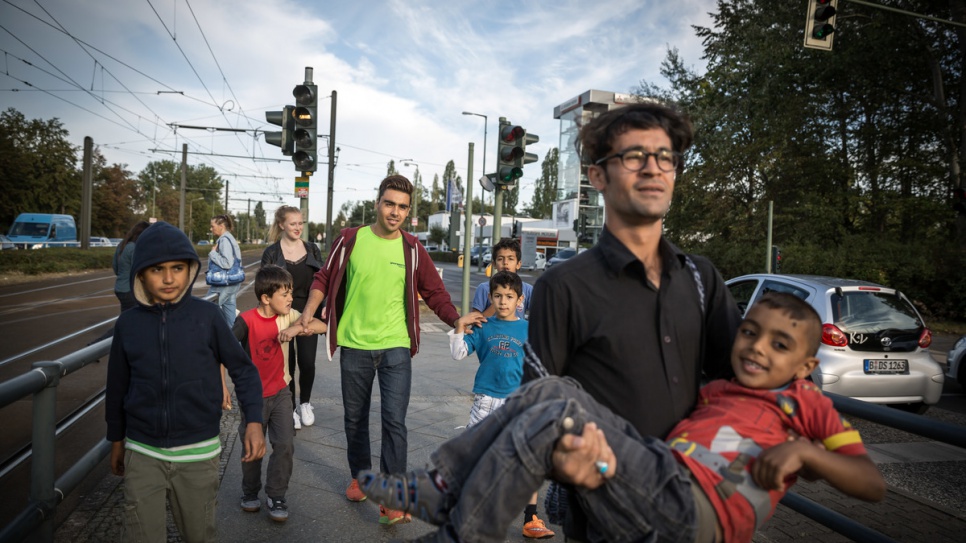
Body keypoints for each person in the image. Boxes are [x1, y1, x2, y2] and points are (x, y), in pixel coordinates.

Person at [359, 293, 887, 543]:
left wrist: (805, 452)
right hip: (652, 484)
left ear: (807, 365)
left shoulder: (805, 403)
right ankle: (441, 484)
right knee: (554, 389)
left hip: (695, 511)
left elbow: (871, 484)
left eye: (780, 344)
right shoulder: (720, 389)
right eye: (749, 332)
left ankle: (459, 520)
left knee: (556, 404)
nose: (756, 348)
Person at [527, 101, 743, 540]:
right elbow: (538, 412)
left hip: (700, 511)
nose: (653, 168)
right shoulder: (563, 286)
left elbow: (746, 382)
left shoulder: (702, 278)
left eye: (665, 157)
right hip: (609, 522)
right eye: (633, 156)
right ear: (598, 176)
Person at [296, 174, 484, 526]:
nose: (395, 211)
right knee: (355, 418)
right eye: (389, 203)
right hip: (353, 344)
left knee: (394, 420)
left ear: (408, 211)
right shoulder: (351, 239)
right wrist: (309, 309)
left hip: (396, 345)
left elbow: (434, 293)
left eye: (402, 207)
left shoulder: (413, 248)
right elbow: (323, 276)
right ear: (378, 203)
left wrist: (455, 319)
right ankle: (361, 475)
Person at [105, 221, 266, 543]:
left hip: (198, 453)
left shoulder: (207, 317)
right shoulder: (128, 324)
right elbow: (117, 385)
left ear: (190, 268)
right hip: (143, 450)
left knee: (198, 534)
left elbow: (244, 370)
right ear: (140, 274)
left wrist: (254, 422)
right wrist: (117, 440)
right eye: (156, 270)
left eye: (177, 268)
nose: (168, 278)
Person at [451, 270, 555, 539]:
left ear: (520, 300)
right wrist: (460, 326)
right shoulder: (483, 326)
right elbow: (459, 353)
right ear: (491, 297)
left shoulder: (528, 329)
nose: (503, 301)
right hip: (485, 400)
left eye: (509, 296)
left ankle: (531, 518)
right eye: (497, 296)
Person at [232, 265, 327, 523]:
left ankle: (276, 495)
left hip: (282, 393)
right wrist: (221, 387)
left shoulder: (289, 316)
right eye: (285, 294)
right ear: (265, 298)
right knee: (253, 446)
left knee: (284, 445)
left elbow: (321, 326)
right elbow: (225, 352)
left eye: (291, 293)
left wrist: (298, 329)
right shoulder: (246, 321)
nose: (290, 299)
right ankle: (250, 492)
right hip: (252, 399)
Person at [261, 206, 325, 430]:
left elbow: (322, 281)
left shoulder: (313, 249)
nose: (298, 228)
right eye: (293, 224)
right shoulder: (271, 252)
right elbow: (265, 286)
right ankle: (288, 407)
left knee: (307, 362)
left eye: (300, 223)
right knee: (286, 365)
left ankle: (305, 403)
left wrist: (322, 310)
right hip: (282, 314)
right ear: (281, 225)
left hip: (308, 312)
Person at [470, 237, 533, 320]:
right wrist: (496, 301)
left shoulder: (528, 289)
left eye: (510, 259)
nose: (505, 263)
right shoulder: (483, 288)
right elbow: (475, 320)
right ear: (494, 264)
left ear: (518, 264)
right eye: (500, 259)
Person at [208, 213, 243, 325]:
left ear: (221, 226)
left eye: (213, 226)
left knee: (205, 310)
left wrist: (213, 253)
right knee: (231, 323)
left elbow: (227, 263)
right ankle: (234, 342)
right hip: (233, 282)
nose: (211, 229)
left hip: (223, 284)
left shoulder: (224, 240)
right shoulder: (230, 238)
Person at [112, 220, 151, 313]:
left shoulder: (122, 245)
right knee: (134, 317)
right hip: (131, 290)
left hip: (120, 288)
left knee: (126, 314)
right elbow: (138, 270)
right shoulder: (134, 248)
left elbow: (115, 267)